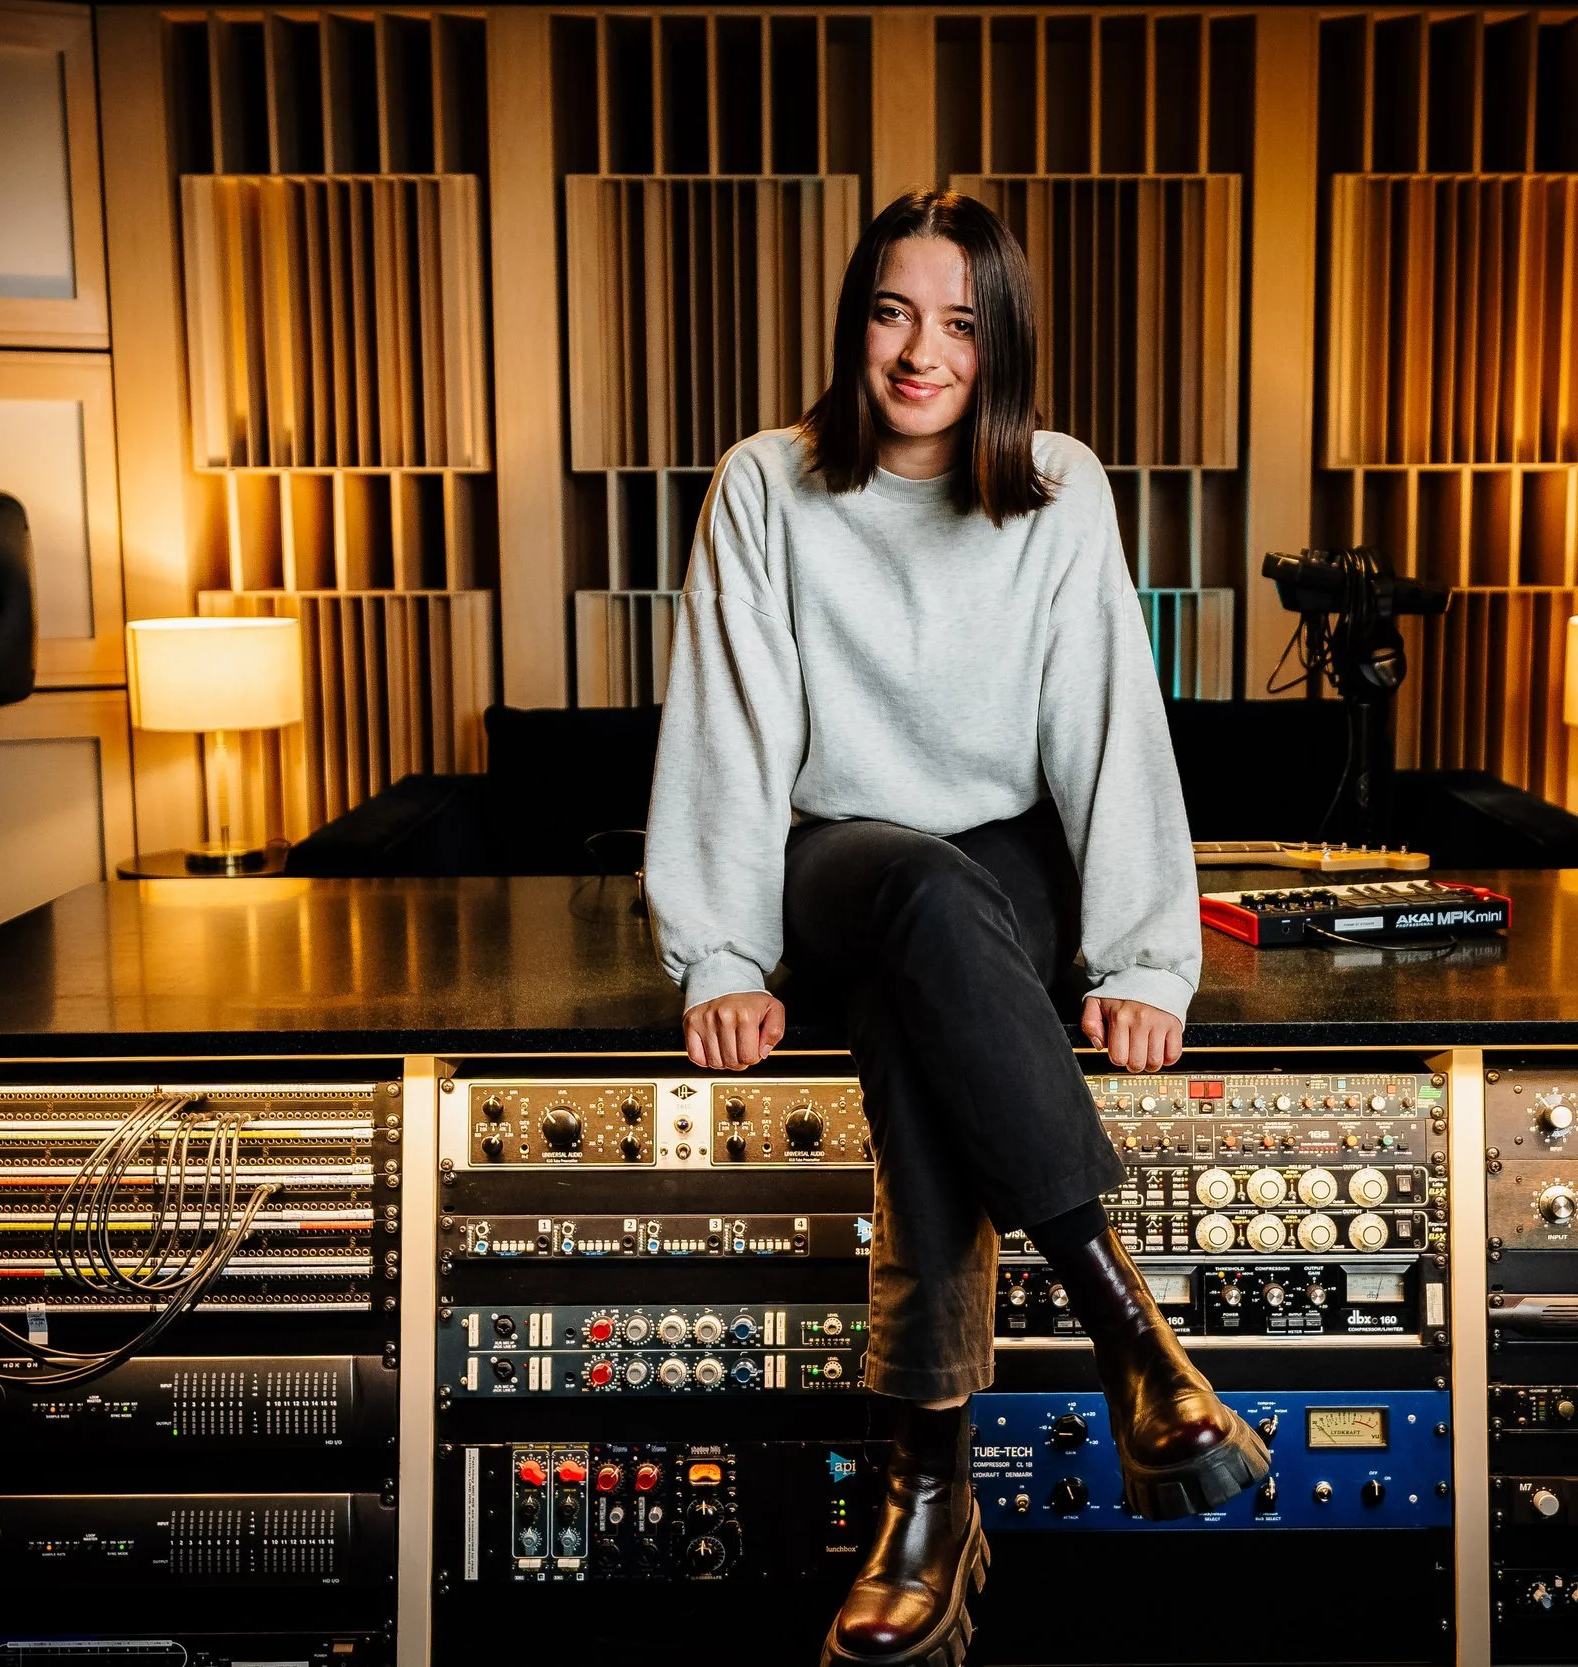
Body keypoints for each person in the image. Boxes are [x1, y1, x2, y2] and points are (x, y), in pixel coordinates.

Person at [644, 189, 1266, 1667]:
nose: (923, 352)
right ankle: (1134, 1336)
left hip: (1004, 867)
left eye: (962, 323)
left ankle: (927, 1485)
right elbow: (731, 722)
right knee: (921, 905)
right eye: (893, 312)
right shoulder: (768, 481)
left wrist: (1142, 956)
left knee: (924, 1004)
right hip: (840, 855)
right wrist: (721, 950)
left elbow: (1110, 723)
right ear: (857, 320)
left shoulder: (1059, 487)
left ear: (1002, 344)